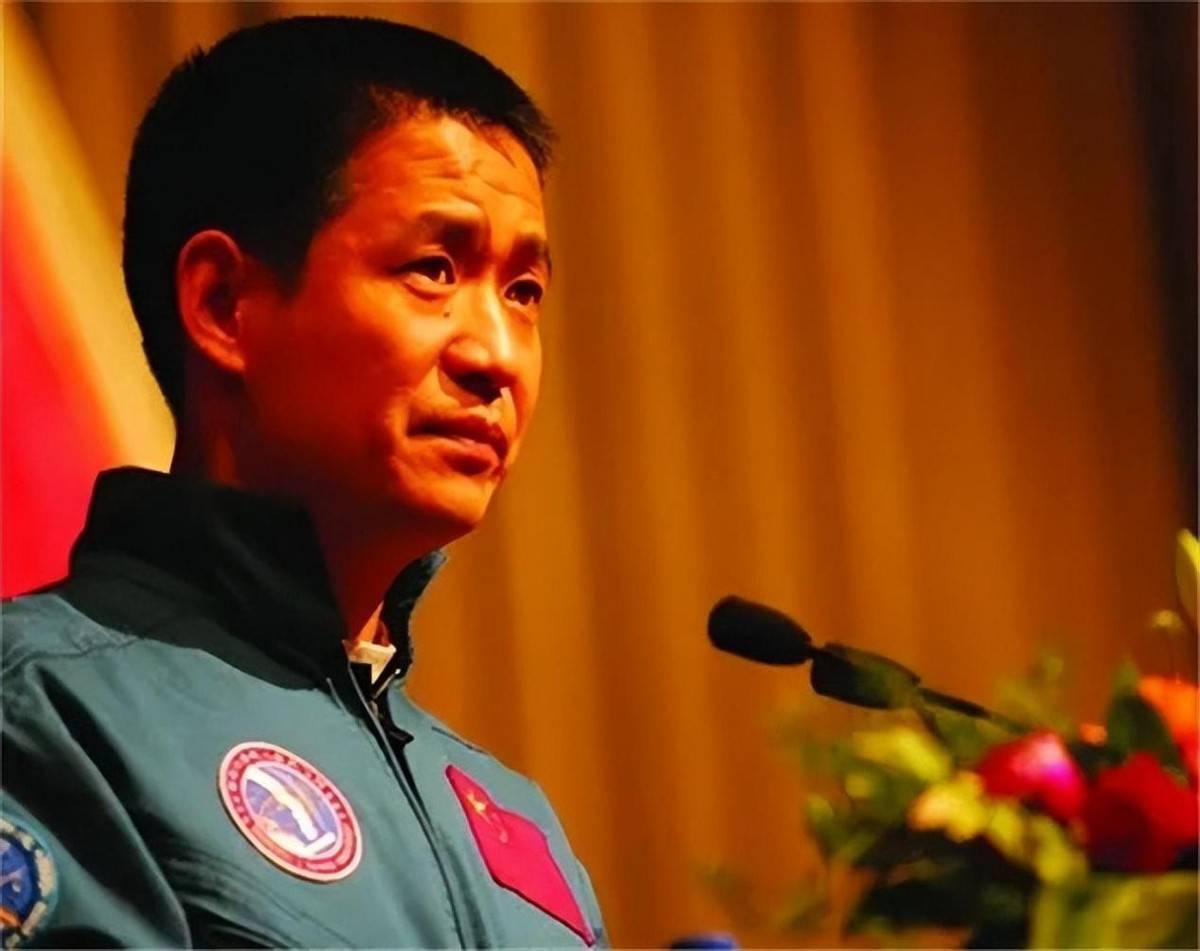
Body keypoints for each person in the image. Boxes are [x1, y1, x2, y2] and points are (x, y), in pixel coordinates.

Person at [1, 15, 606, 948]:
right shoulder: (43, 708)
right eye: (434, 269)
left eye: (523, 291)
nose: (496, 355)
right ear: (223, 305)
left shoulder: (519, 826)